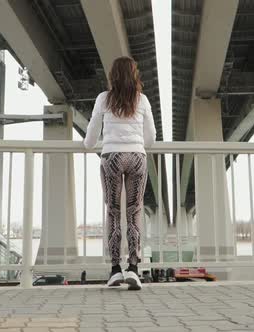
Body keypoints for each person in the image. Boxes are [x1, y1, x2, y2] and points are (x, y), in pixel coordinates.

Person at [84, 56, 156, 291]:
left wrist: (90, 144)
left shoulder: (104, 99)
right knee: (134, 212)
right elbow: (151, 138)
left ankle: (115, 270)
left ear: (112, 76)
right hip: (137, 157)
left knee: (114, 212)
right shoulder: (142, 100)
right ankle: (134, 269)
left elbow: (91, 138)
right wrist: (136, 143)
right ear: (135, 75)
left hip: (112, 157)